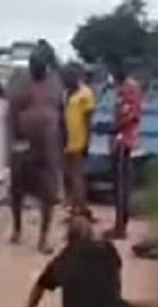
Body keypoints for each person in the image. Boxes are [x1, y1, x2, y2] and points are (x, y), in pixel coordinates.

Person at [23, 214, 158, 307]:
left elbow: (40, 286)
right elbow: (116, 269)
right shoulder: (107, 250)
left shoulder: (64, 259)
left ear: (69, 238)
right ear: (91, 234)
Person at [7, 46, 65, 254]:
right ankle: (17, 229)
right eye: (33, 65)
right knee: (17, 189)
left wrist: (63, 143)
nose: (37, 69)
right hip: (24, 145)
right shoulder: (20, 83)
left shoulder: (55, 83)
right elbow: (12, 115)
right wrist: (13, 143)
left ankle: (43, 237)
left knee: (48, 193)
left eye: (40, 65)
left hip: (49, 146)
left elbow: (62, 113)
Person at [104, 59, 142, 240]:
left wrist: (114, 127)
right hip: (124, 140)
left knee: (121, 187)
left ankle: (120, 227)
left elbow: (129, 115)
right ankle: (119, 225)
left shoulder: (128, 88)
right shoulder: (126, 86)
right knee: (121, 186)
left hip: (123, 141)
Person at [62, 63, 96, 218]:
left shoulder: (86, 94)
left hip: (78, 140)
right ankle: (74, 206)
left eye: (69, 76)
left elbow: (88, 120)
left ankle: (80, 208)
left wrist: (87, 142)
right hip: (65, 141)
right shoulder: (65, 93)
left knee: (77, 176)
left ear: (76, 77)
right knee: (67, 175)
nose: (66, 79)